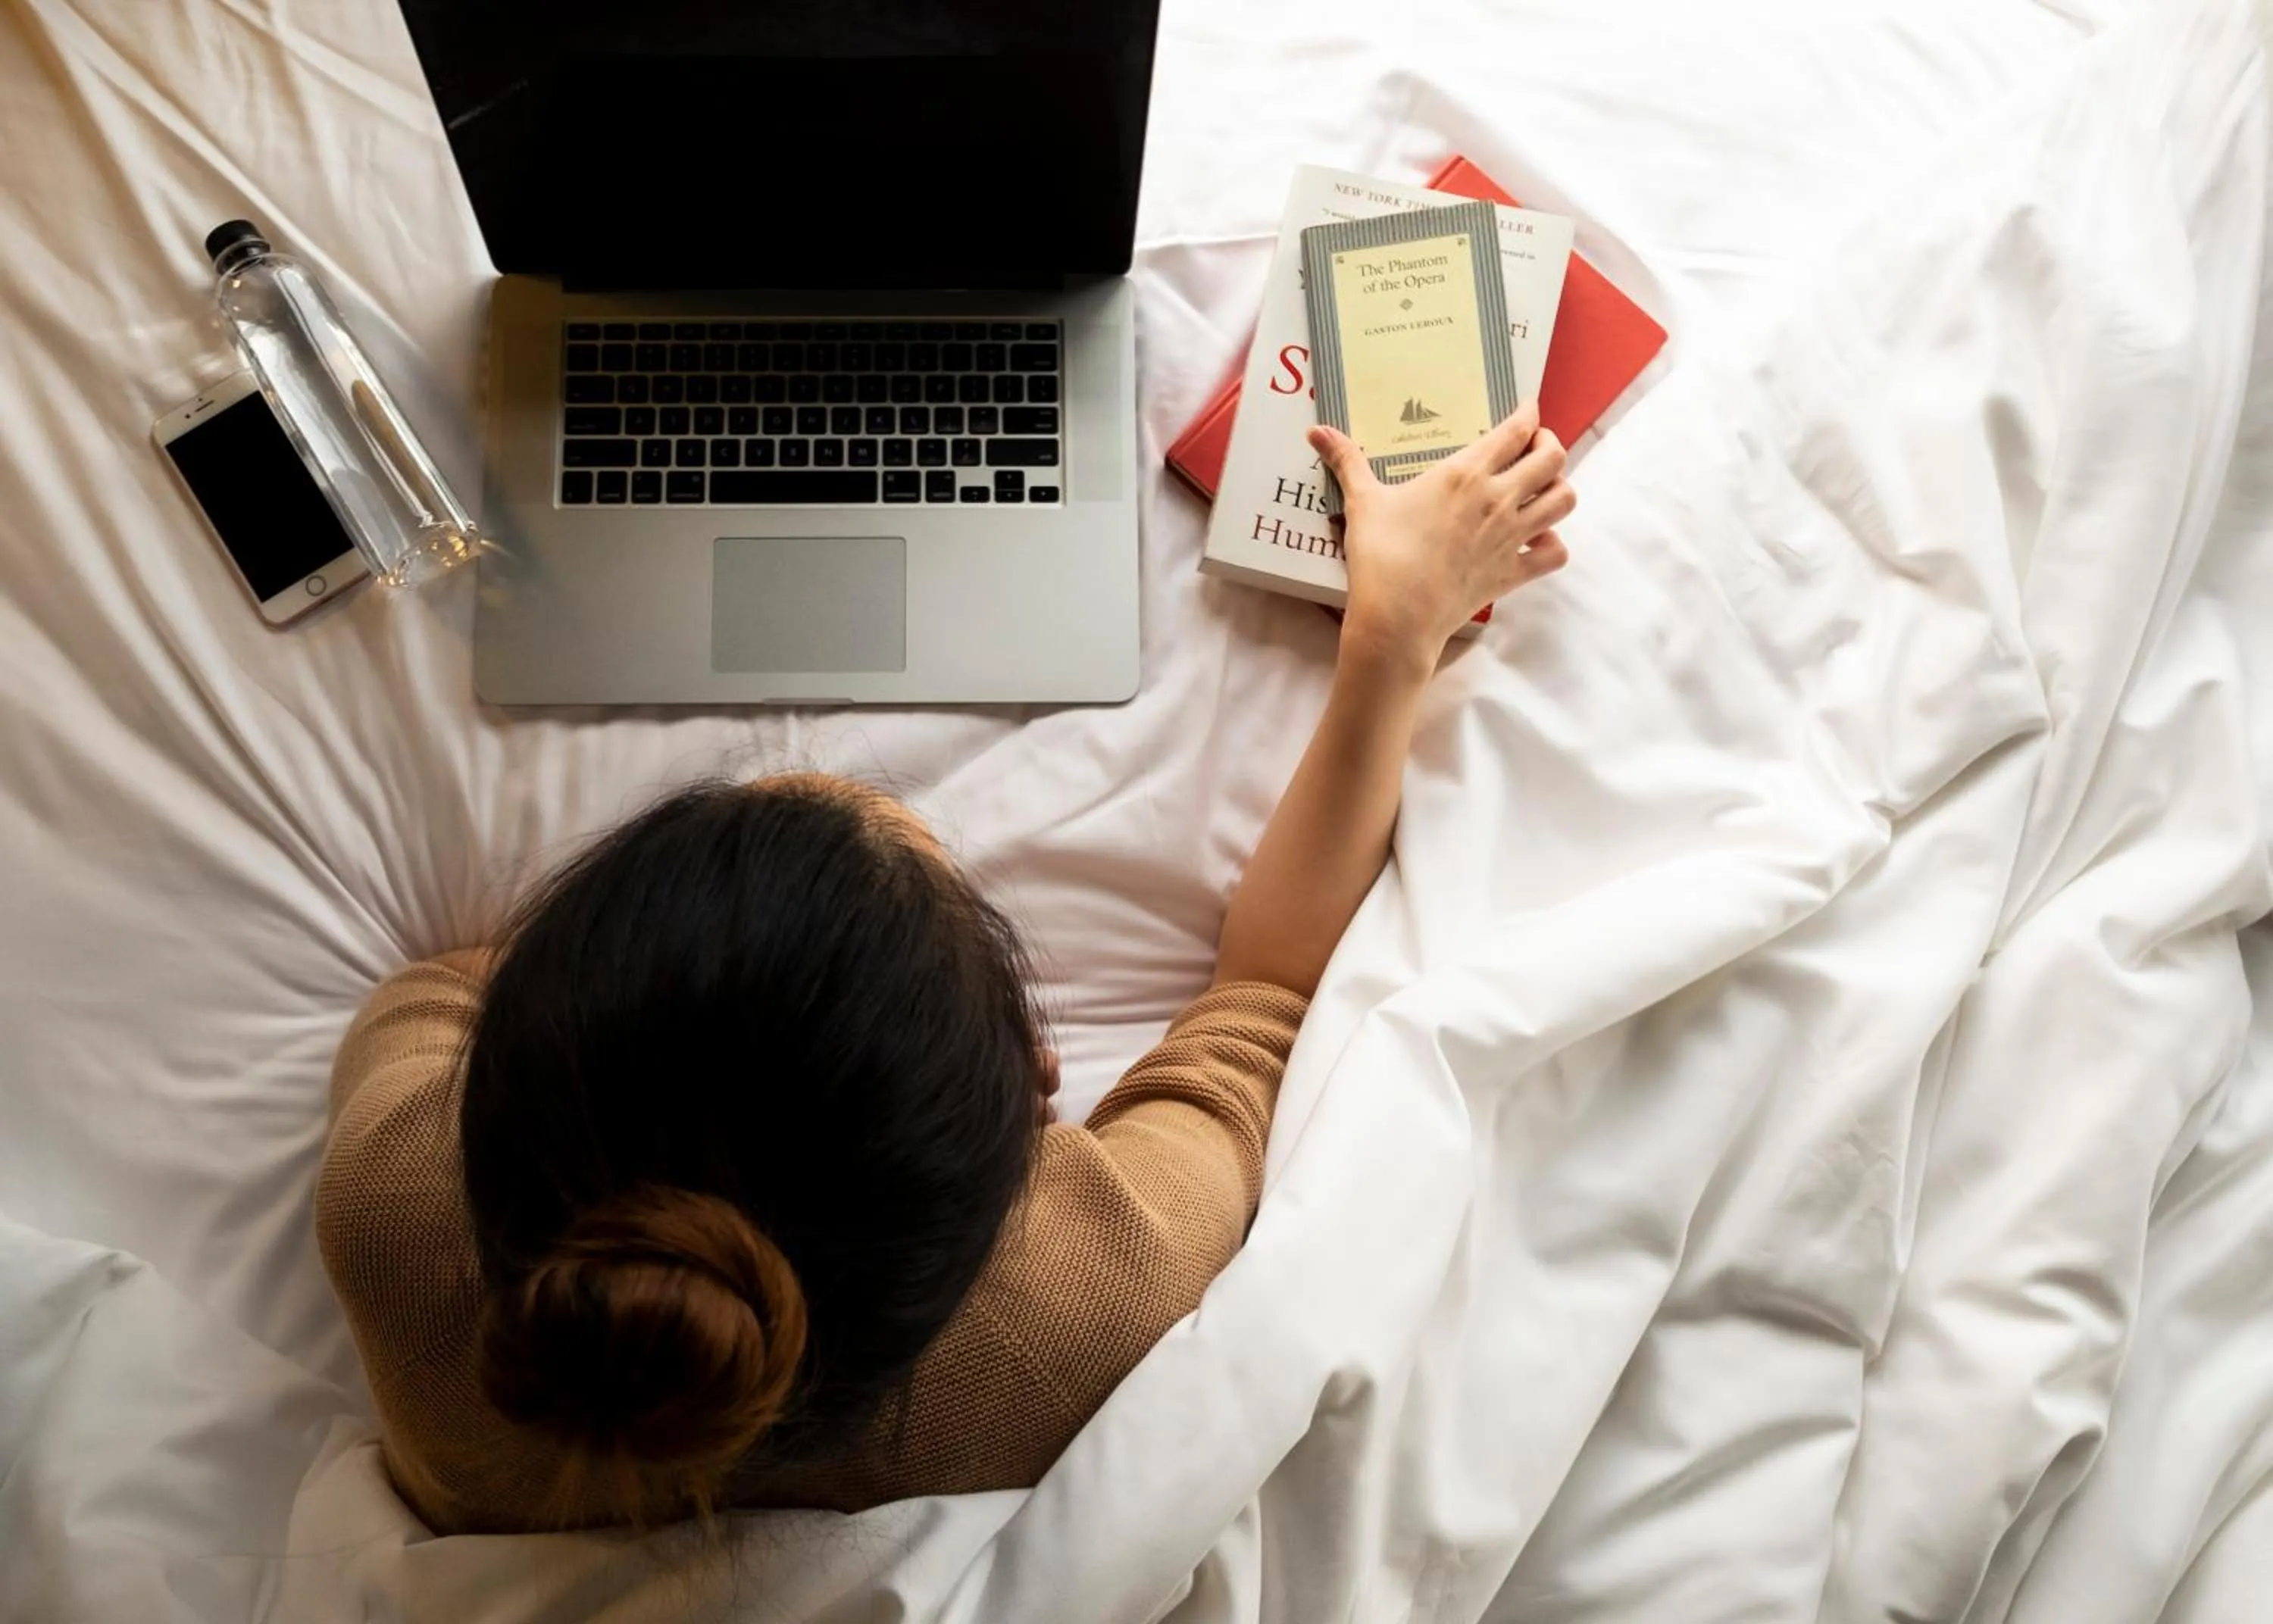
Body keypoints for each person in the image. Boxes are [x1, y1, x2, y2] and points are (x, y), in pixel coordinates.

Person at [316, 405, 1574, 1533]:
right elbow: (1263, 1007)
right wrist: (1392, 642)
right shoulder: (1082, 1301)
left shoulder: (394, 1204)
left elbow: (426, 999)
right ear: (1038, 1092)